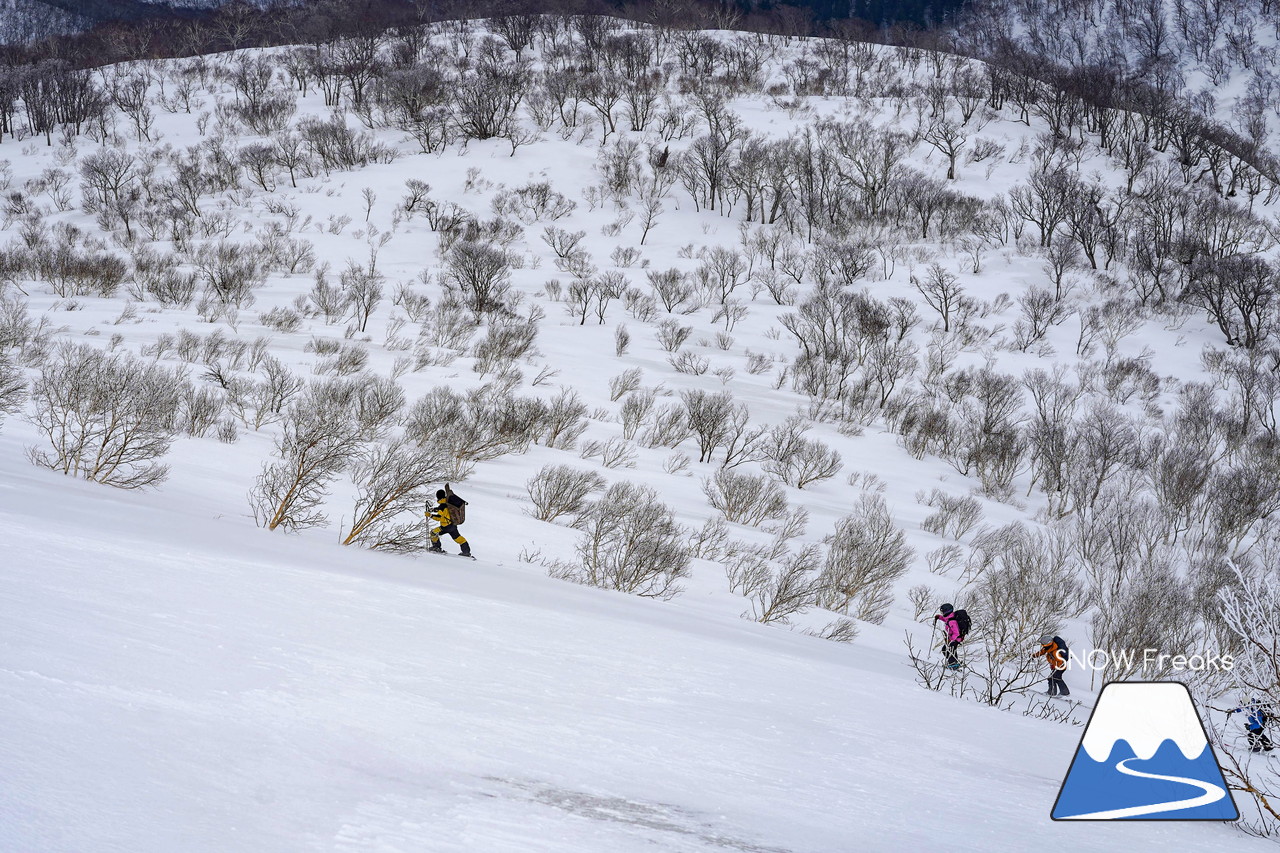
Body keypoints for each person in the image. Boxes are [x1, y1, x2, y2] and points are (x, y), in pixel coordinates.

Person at [427, 489, 471, 558]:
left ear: (438, 497)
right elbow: (442, 514)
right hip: (453, 525)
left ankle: (436, 547)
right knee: (459, 538)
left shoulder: (442, 506)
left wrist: (430, 515)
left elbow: (440, 517)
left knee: (433, 533)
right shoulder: (449, 503)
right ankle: (466, 552)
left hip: (445, 527)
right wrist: (432, 512)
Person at [935, 603, 962, 670]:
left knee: (950, 650)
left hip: (955, 639)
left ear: (946, 611)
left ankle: (953, 665)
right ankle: (954, 663)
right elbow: (946, 620)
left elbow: (957, 633)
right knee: (947, 650)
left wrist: (951, 640)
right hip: (952, 639)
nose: (942, 613)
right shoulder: (950, 617)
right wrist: (939, 617)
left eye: (942, 611)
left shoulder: (952, 621)